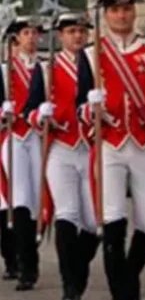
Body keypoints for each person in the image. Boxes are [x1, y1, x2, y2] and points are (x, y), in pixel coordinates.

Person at [75, 0, 145, 300]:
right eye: (116, 10)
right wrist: (88, 107)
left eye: (128, 9)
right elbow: (79, 105)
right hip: (110, 143)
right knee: (113, 221)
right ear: (105, 15)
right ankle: (123, 293)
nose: (122, 15)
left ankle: (128, 276)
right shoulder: (91, 54)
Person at [23, 12, 99, 300]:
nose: (77, 36)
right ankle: (70, 285)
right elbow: (29, 109)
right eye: (70, 31)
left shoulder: (97, 64)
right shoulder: (45, 69)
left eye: (81, 31)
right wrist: (40, 115)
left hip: (92, 146)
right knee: (67, 213)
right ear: (60, 36)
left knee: (93, 222)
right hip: (60, 146)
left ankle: (78, 267)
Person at [0, 15, 43, 291]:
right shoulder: (4, 70)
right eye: (26, 33)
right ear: (16, 38)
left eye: (34, 33)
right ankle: (24, 264)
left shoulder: (45, 68)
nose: (31, 37)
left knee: (37, 199)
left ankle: (25, 256)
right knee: (16, 202)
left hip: (38, 136)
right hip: (12, 136)